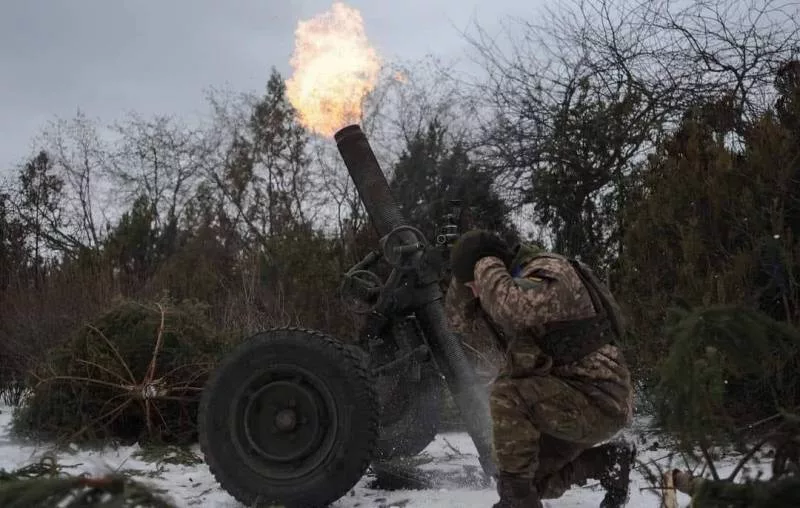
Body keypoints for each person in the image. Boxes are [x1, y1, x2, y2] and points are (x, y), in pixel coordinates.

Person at [444, 230, 636, 508]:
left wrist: (483, 265)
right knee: (523, 477)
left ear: (492, 266)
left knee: (508, 394)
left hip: (599, 401)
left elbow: (512, 309)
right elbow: (454, 320)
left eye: (475, 284)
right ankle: (607, 462)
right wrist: (464, 270)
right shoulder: (511, 281)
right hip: (565, 399)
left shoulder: (551, 272)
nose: (476, 291)